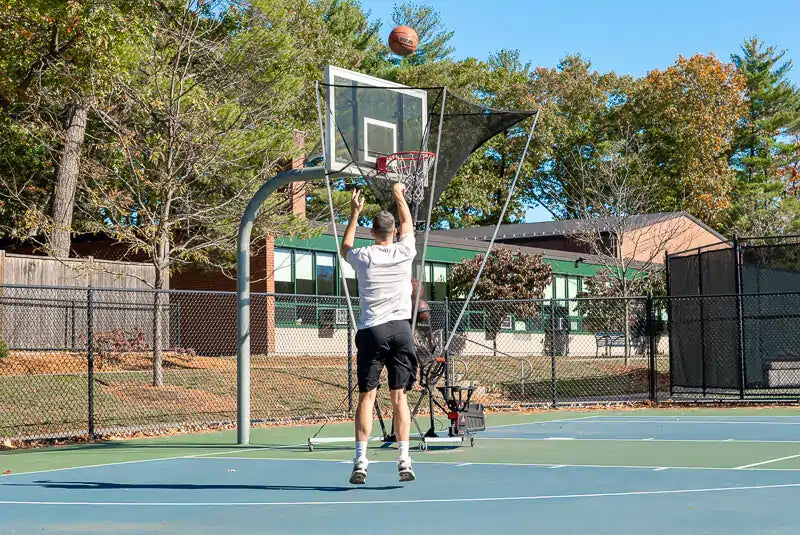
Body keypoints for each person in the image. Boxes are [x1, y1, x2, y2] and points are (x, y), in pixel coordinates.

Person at [341, 182, 417, 484]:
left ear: (372, 232)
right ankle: (404, 459)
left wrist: (354, 213)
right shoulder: (405, 250)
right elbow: (408, 222)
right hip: (400, 329)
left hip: (372, 331)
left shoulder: (364, 255)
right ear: (394, 232)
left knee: (367, 397)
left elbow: (345, 248)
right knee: (399, 397)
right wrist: (398, 193)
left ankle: (361, 461)